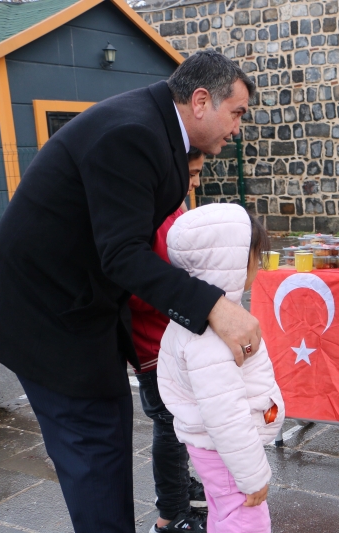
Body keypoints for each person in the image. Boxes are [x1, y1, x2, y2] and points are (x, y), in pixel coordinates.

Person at [0, 51, 263, 532]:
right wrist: (213, 306)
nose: (237, 128)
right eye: (236, 113)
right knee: (95, 446)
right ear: (200, 101)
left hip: (76, 303)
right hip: (43, 316)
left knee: (106, 431)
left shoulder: (152, 127)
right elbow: (123, 254)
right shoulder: (134, 133)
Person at [158, 203, 284, 533]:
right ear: (233, 263)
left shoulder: (200, 319)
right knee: (246, 520)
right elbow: (225, 415)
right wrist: (252, 476)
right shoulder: (213, 338)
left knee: (223, 511)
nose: (258, 264)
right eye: (255, 256)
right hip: (227, 452)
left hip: (216, 449)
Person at [130, 148, 209, 533]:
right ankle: (171, 515)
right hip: (153, 346)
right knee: (170, 425)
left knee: (180, 422)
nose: (196, 182)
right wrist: (186, 290)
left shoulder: (170, 206)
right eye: (191, 174)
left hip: (170, 338)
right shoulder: (147, 215)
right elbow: (138, 288)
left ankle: (181, 485)